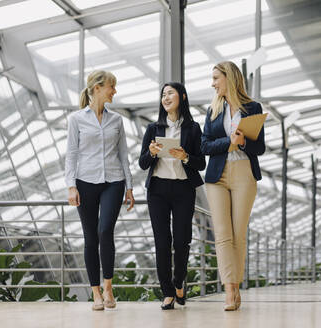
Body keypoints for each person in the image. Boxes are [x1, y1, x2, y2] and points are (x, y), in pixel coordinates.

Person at [65, 70, 135, 311]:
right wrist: (71, 186)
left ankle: (108, 287)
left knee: (105, 230)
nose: (114, 91)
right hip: (85, 181)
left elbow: (124, 154)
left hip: (113, 181)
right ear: (97, 88)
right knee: (90, 237)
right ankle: (95, 292)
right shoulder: (76, 119)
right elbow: (71, 154)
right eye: (111, 87)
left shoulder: (117, 120)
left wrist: (129, 186)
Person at [201, 61, 265, 311]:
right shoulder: (213, 110)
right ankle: (229, 290)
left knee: (238, 234)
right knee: (222, 234)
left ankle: (236, 287)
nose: (213, 83)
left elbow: (259, 147)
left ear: (230, 78)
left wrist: (243, 143)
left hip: (243, 173)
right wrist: (228, 142)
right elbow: (205, 146)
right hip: (217, 175)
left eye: (216, 78)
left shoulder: (253, 108)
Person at [139, 82, 206, 310]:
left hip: (183, 190)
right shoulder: (153, 128)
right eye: (163, 94)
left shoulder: (193, 128)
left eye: (170, 93)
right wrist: (151, 152)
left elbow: (201, 162)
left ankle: (179, 282)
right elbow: (142, 163)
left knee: (182, 240)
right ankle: (167, 292)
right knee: (162, 242)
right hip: (157, 190)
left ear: (182, 97)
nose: (166, 97)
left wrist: (185, 156)